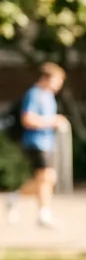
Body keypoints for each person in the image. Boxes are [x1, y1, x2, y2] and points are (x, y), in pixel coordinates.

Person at [5, 63, 68, 228]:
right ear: (47, 78)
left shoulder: (49, 97)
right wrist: (52, 122)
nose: (59, 86)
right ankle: (43, 214)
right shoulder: (34, 94)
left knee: (46, 179)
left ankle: (15, 198)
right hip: (35, 142)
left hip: (47, 143)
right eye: (57, 81)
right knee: (46, 176)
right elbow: (27, 119)